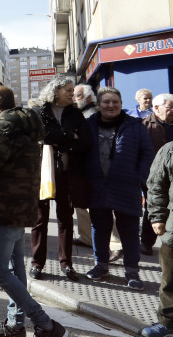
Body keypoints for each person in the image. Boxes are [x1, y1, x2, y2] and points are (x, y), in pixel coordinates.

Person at [0, 85, 70, 337]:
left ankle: (46, 326)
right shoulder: (25, 124)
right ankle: (14, 325)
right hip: (20, 206)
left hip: (1, 207)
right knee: (13, 268)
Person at [83, 87, 153, 290]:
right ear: (99, 104)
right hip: (97, 186)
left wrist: (138, 178)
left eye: (115, 102)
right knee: (99, 228)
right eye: (106, 102)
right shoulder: (89, 124)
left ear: (121, 104)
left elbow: (147, 153)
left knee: (129, 231)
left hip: (126, 187)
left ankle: (132, 271)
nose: (111, 105)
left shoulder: (134, 125)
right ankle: (101, 265)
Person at [31, 77, 91, 281]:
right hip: (44, 174)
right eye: (68, 90)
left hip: (68, 173)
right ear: (55, 91)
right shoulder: (39, 111)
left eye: (73, 90)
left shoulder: (75, 113)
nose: (72, 93)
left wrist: (64, 139)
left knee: (66, 219)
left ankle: (66, 264)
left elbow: (86, 140)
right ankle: (37, 263)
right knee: (40, 220)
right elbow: (44, 135)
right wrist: (69, 136)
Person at [142, 140, 173, 337]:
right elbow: (156, 183)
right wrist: (157, 217)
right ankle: (166, 324)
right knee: (170, 281)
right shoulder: (170, 149)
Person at [141, 94, 173, 256]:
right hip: (151, 176)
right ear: (156, 108)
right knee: (152, 207)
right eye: (170, 107)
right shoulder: (144, 126)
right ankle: (147, 242)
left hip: (171, 174)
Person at [72, 84, 99, 247]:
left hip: (90, 167)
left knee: (98, 207)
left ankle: (116, 243)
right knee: (82, 205)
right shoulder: (82, 113)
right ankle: (86, 238)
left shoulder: (91, 115)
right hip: (81, 168)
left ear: (88, 97)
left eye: (78, 96)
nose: (75, 98)